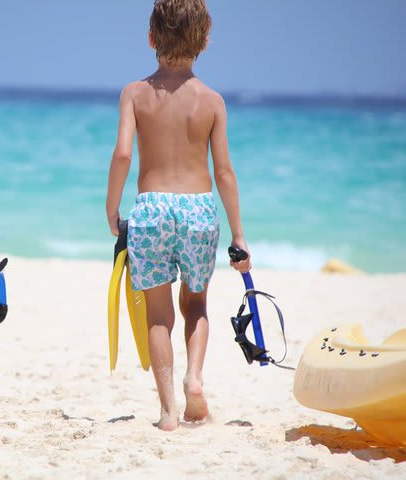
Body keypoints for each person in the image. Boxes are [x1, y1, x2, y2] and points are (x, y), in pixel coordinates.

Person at [105, 0, 251, 431]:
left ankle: (168, 410)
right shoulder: (212, 101)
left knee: (158, 313)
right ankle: (195, 378)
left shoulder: (133, 93)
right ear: (205, 42)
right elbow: (224, 172)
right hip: (200, 210)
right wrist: (239, 234)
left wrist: (113, 207)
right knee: (197, 302)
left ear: (150, 38)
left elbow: (123, 153)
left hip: (151, 208)